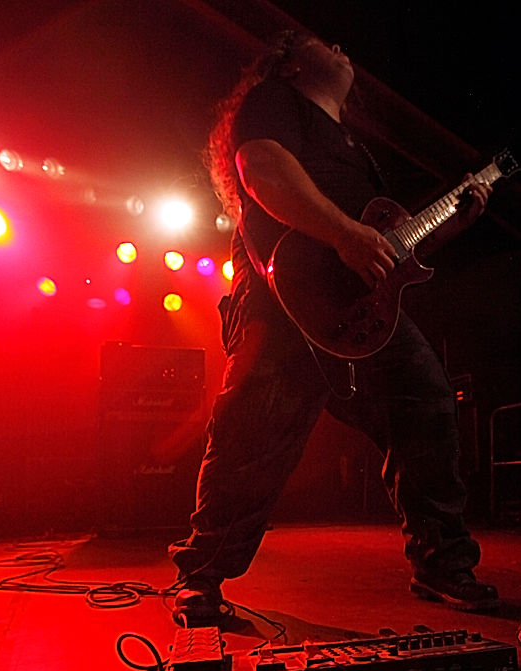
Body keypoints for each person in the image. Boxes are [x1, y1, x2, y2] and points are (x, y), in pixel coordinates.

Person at [169, 30, 499, 624]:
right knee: (254, 429)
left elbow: (390, 248)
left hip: (362, 310)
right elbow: (260, 168)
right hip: (283, 291)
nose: (345, 50)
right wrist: (344, 234)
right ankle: (203, 575)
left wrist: (451, 221)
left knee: (425, 406)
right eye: (326, 44)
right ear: (292, 64)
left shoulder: (353, 147)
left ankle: (441, 563)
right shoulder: (274, 100)